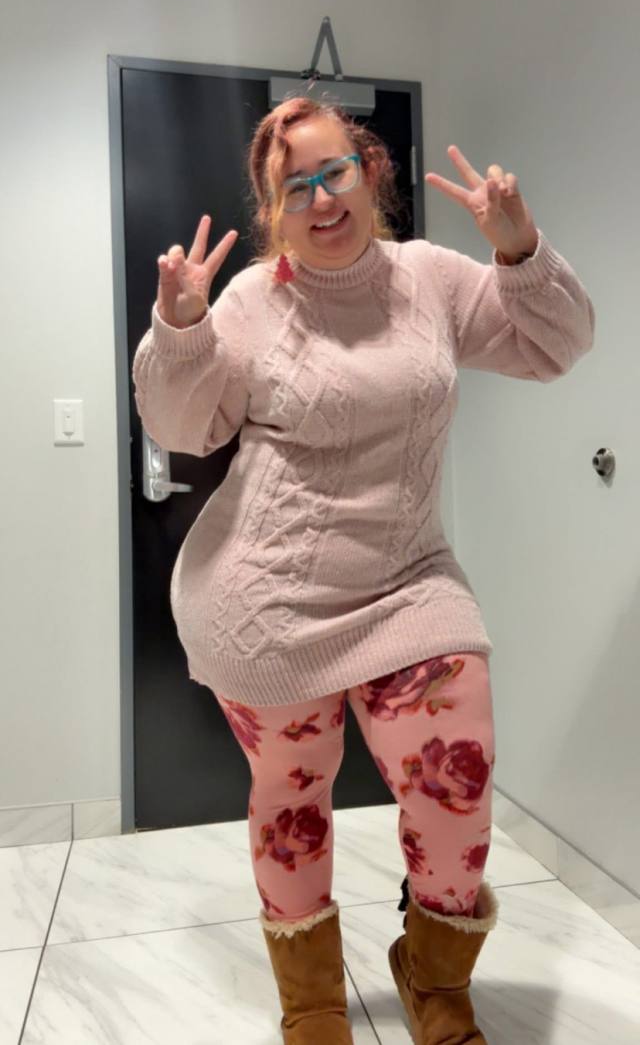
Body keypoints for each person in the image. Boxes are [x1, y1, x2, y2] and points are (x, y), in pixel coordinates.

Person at [132, 96, 595, 1044]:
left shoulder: (430, 278)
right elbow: (183, 429)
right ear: (274, 210)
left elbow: (557, 345)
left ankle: (434, 979)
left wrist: (518, 249)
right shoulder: (252, 301)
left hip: (409, 580)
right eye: (294, 185)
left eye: (334, 170)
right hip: (267, 599)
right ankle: (311, 1006)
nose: (321, 197)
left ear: (370, 170)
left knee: (457, 782)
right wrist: (181, 327)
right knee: (293, 798)